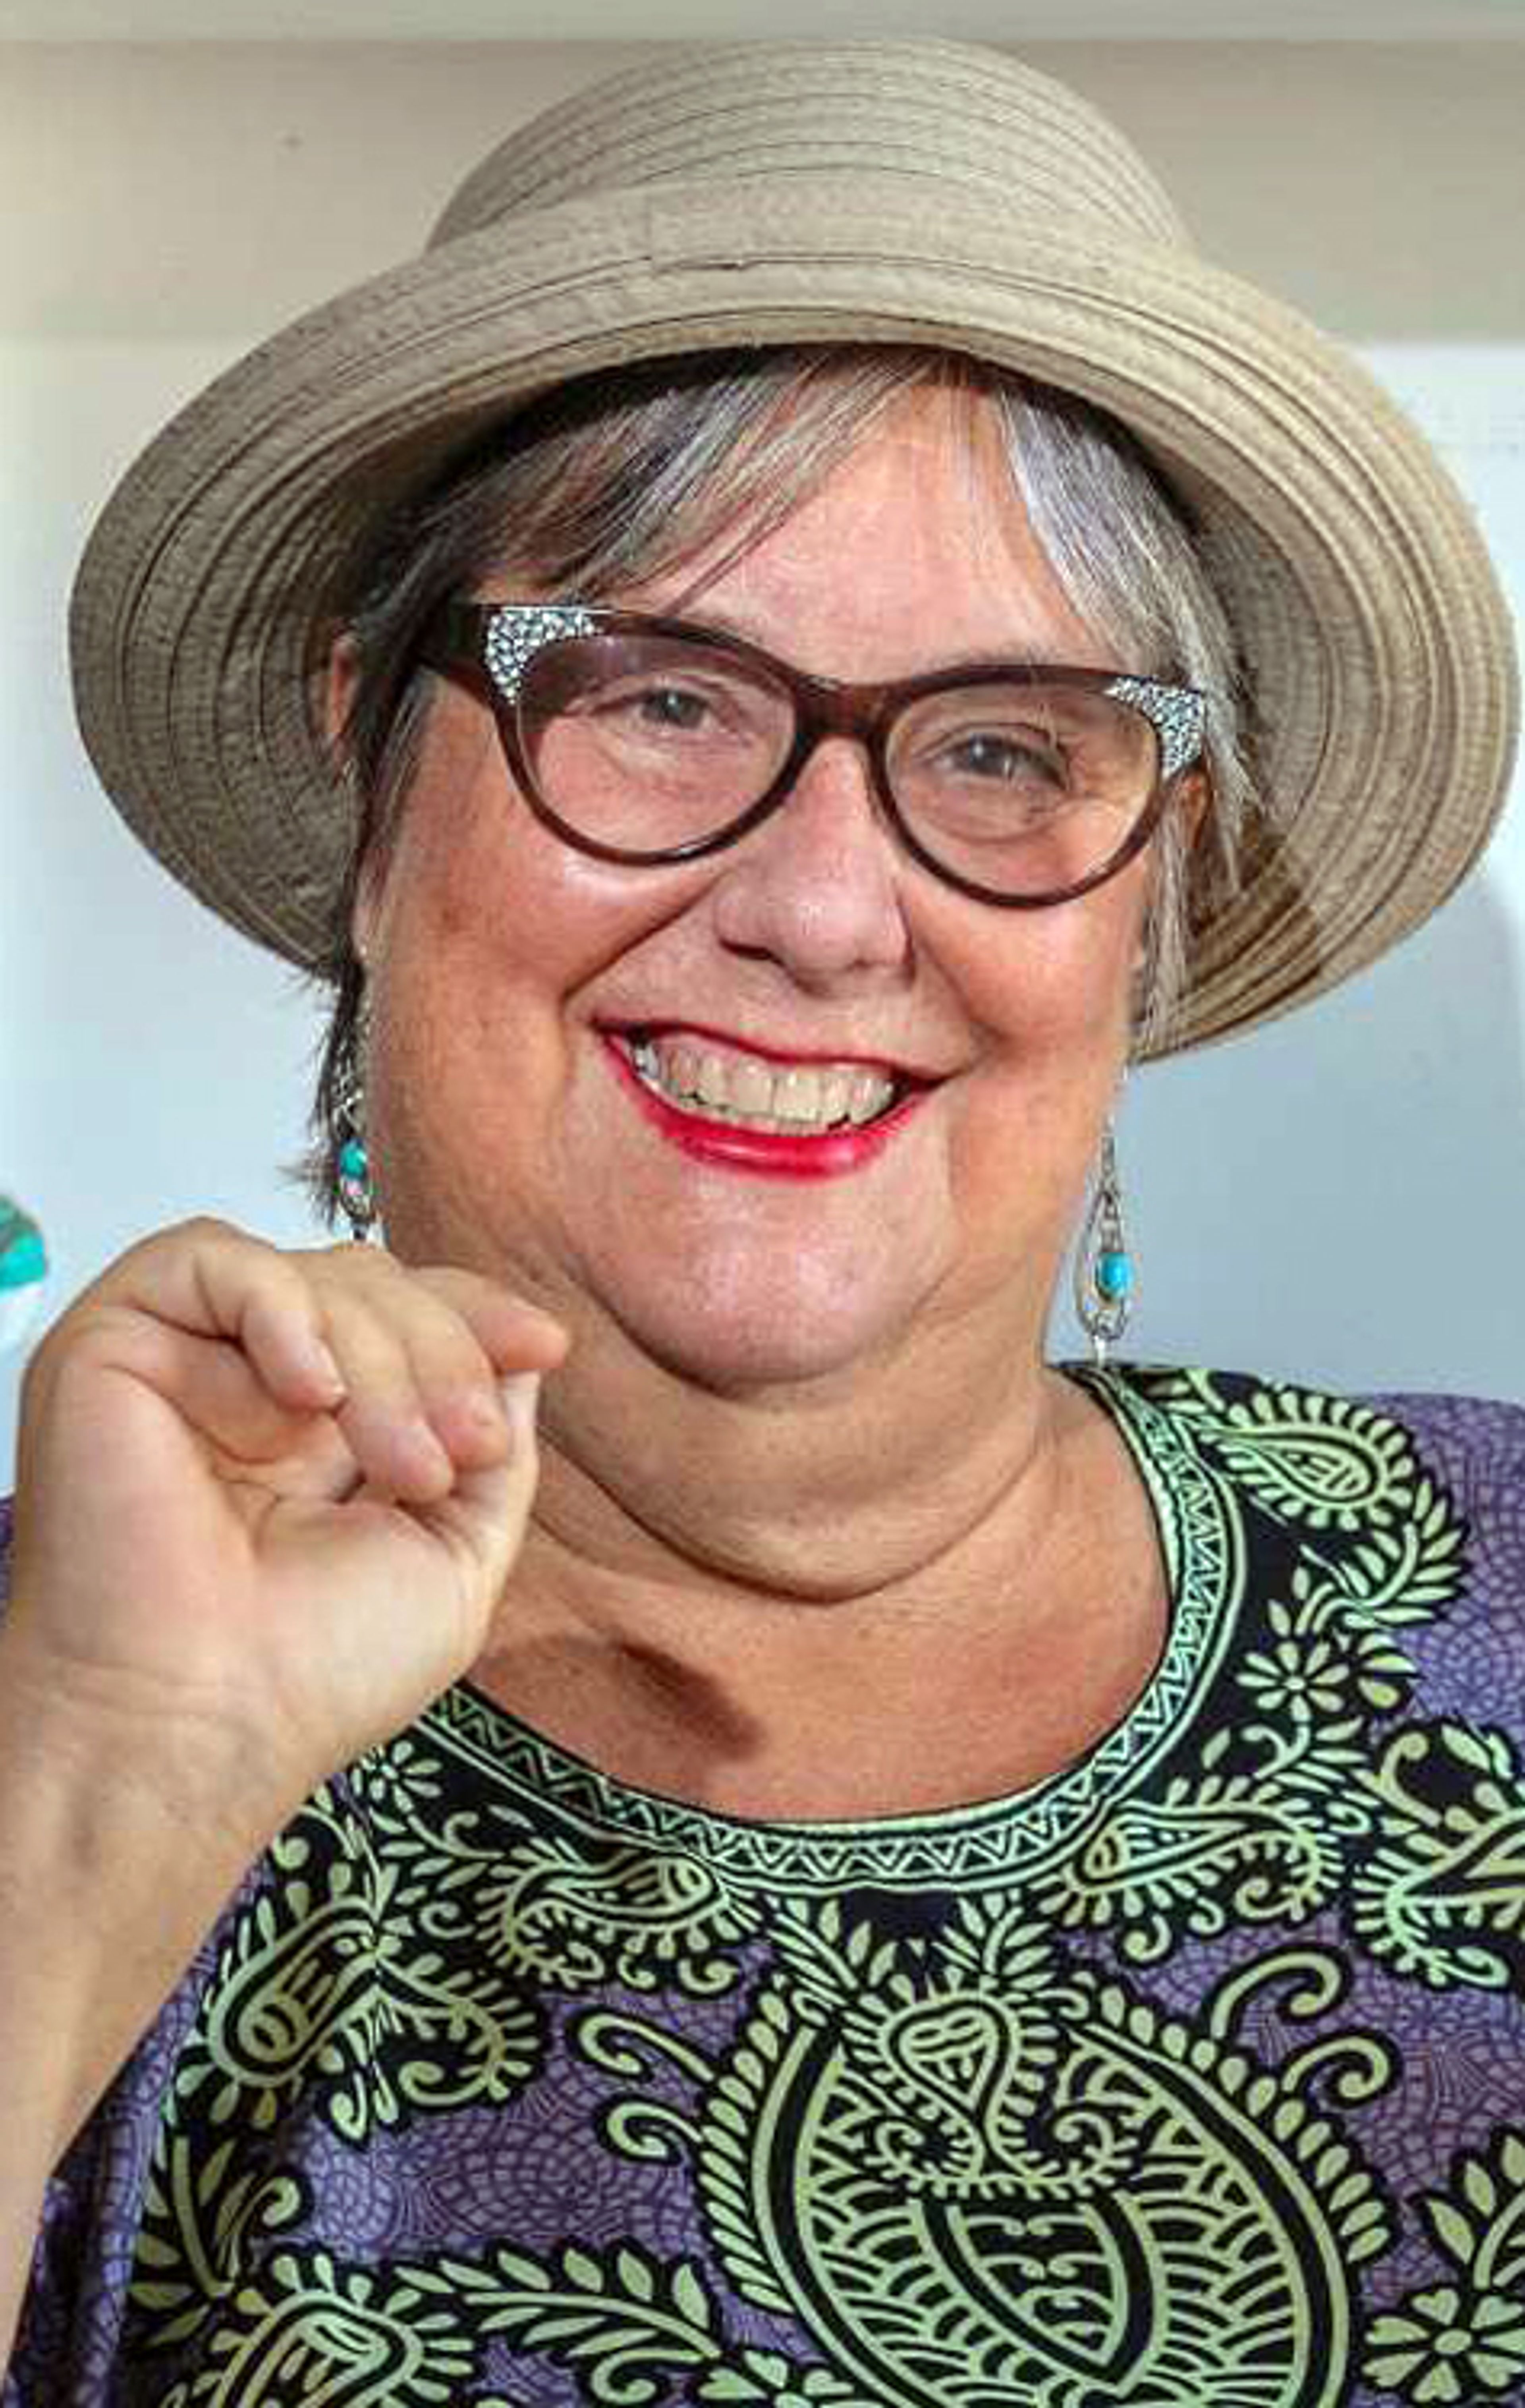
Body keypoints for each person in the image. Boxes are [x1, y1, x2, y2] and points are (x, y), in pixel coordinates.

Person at [2, 37, 1522, 2408]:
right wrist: (98, 1790)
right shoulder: (44, 1680)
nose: (827, 907)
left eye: (1013, 746)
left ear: (1153, 892)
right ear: (367, 771)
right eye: (661, 700)